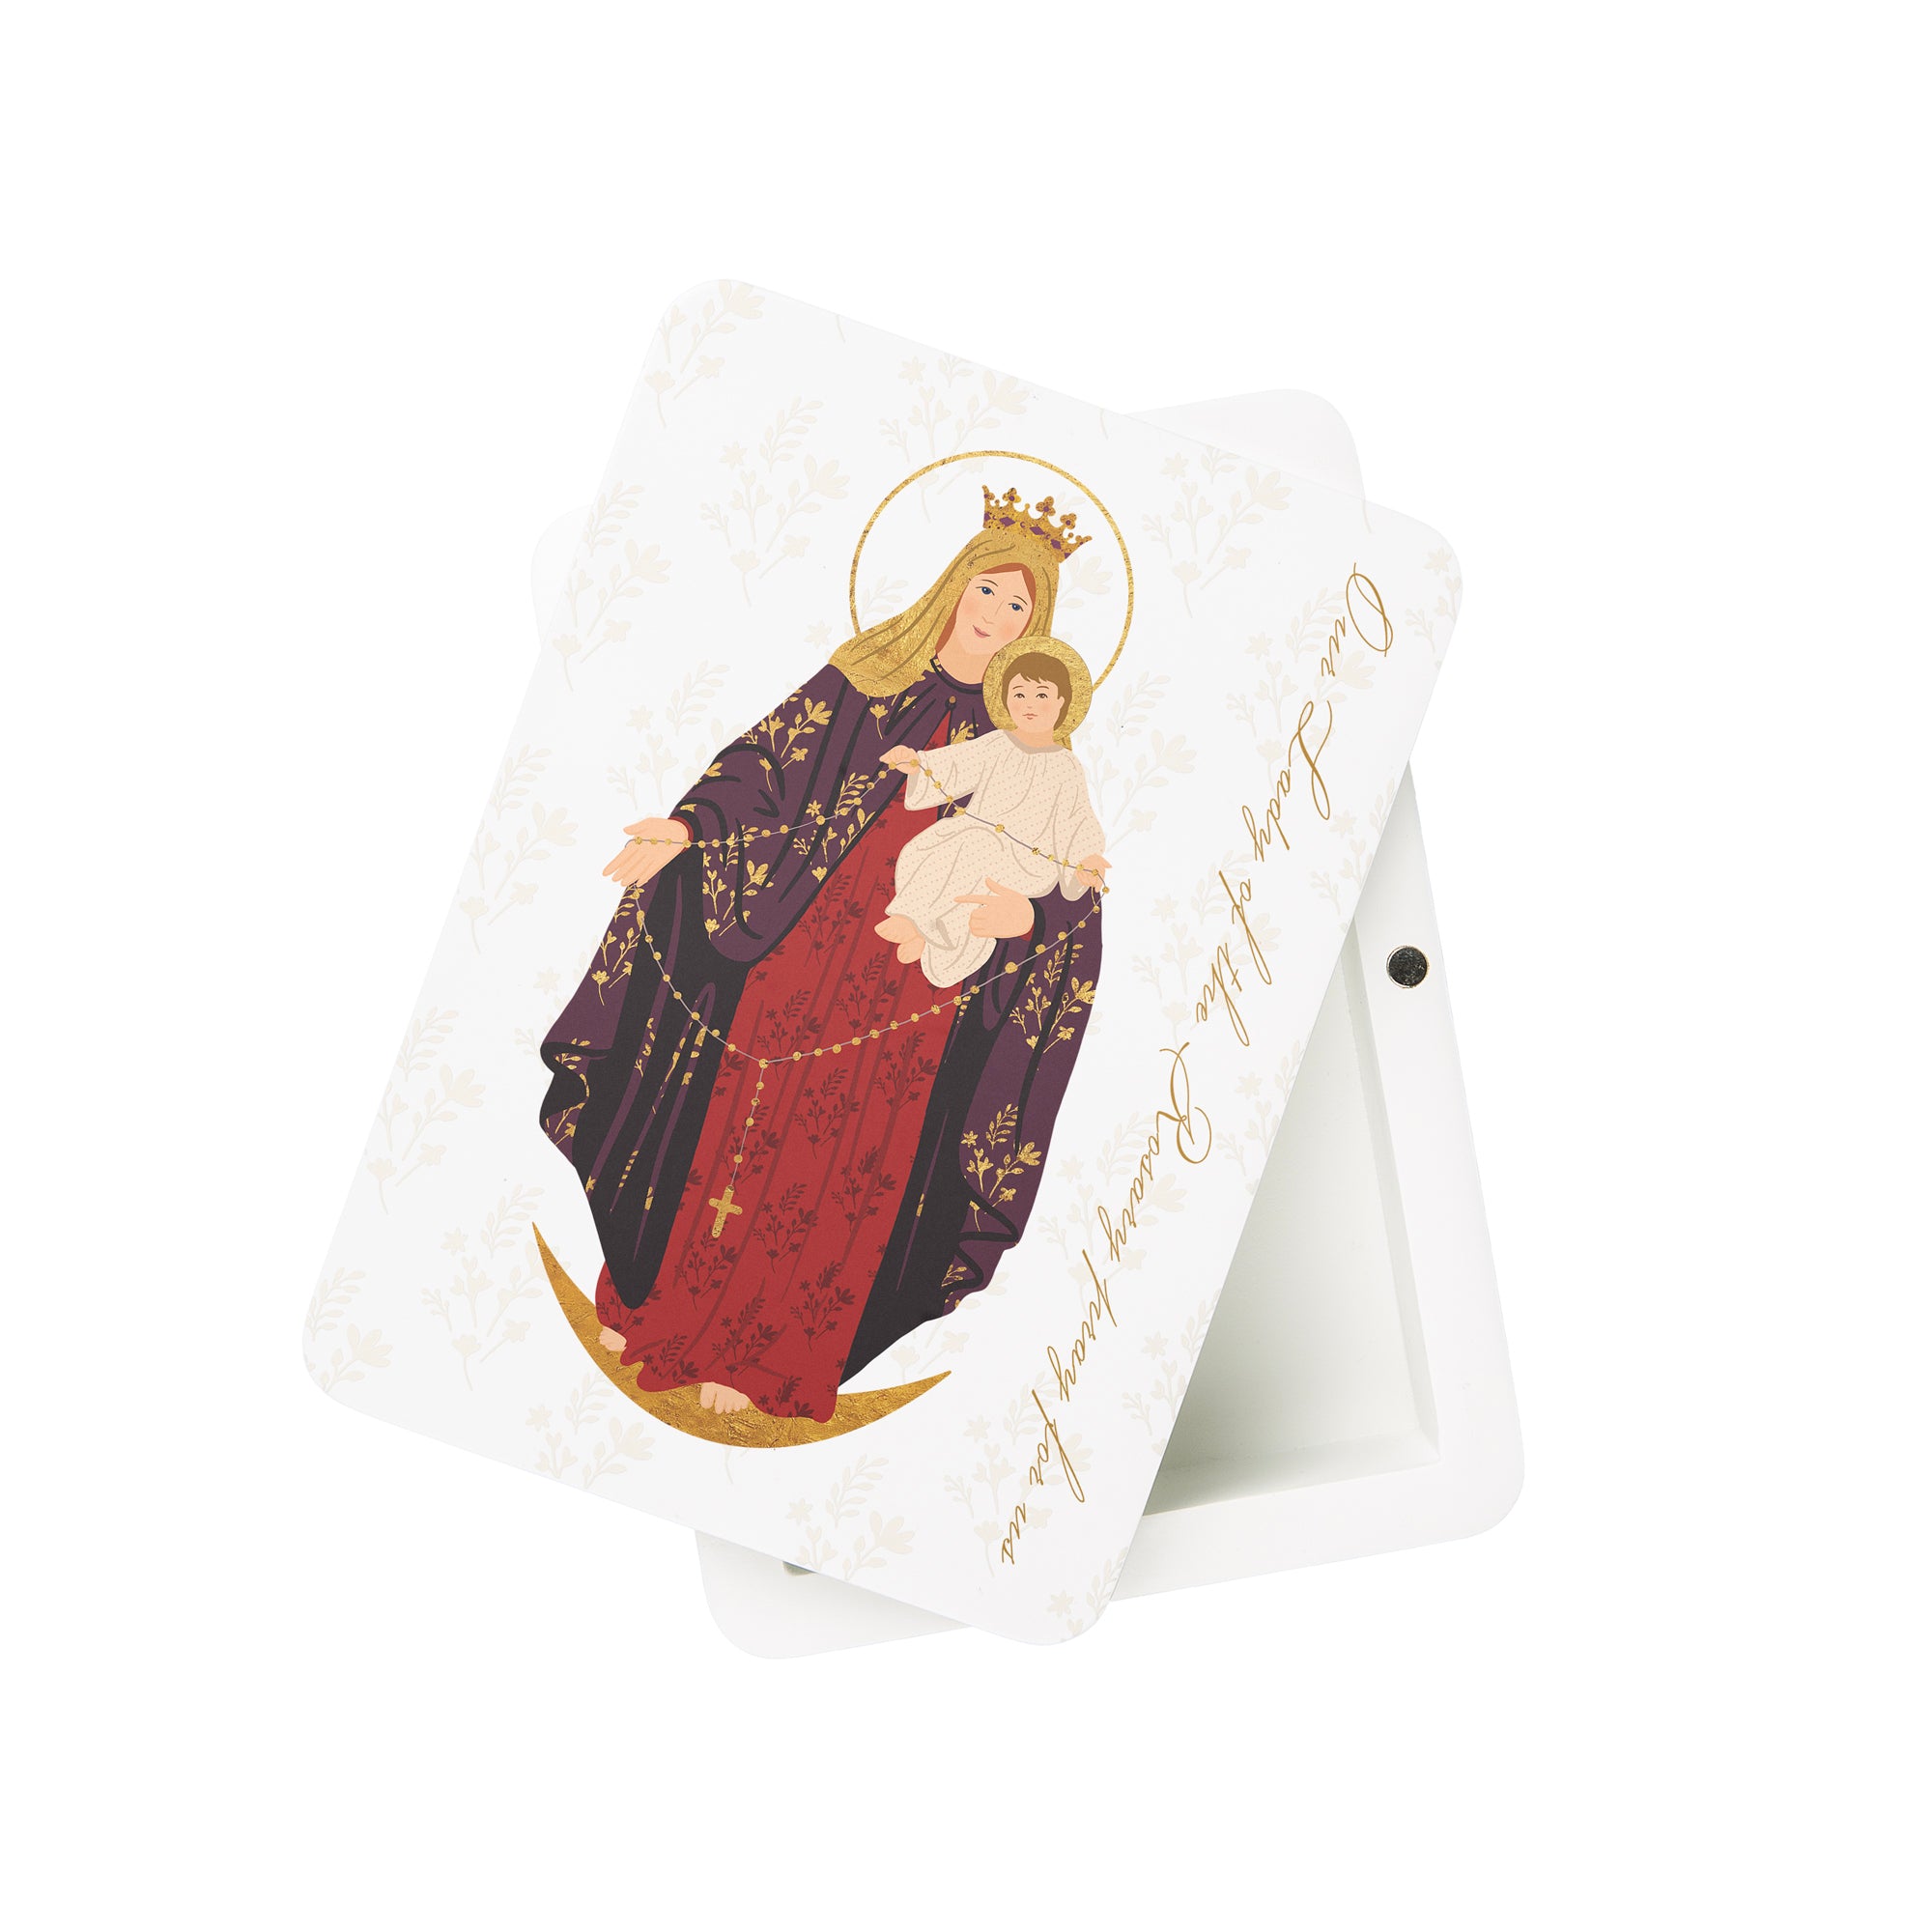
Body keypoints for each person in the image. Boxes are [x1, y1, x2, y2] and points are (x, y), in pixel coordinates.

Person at [537, 487, 1105, 1421]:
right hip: (802, 940)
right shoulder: (865, 675)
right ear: (956, 583)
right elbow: (765, 763)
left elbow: (1067, 873)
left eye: (1021, 606)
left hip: (913, 981)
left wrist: (1028, 920)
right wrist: (690, 827)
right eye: (990, 590)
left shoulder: (1027, 739)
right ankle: (656, 1314)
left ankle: (768, 1356)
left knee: (845, 1158)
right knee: (736, 1122)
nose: (999, 614)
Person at [875, 641, 1109, 986]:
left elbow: (1077, 819)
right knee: (935, 855)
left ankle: (913, 919)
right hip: (975, 838)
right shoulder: (998, 743)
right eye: (1020, 694)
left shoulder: (1065, 766)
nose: (1029, 705)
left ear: (1062, 702)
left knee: (973, 851)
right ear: (1006, 699)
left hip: (1026, 860)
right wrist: (917, 764)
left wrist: (1087, 858)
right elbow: (956, 764)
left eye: (1042, 695)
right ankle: (926, 935)